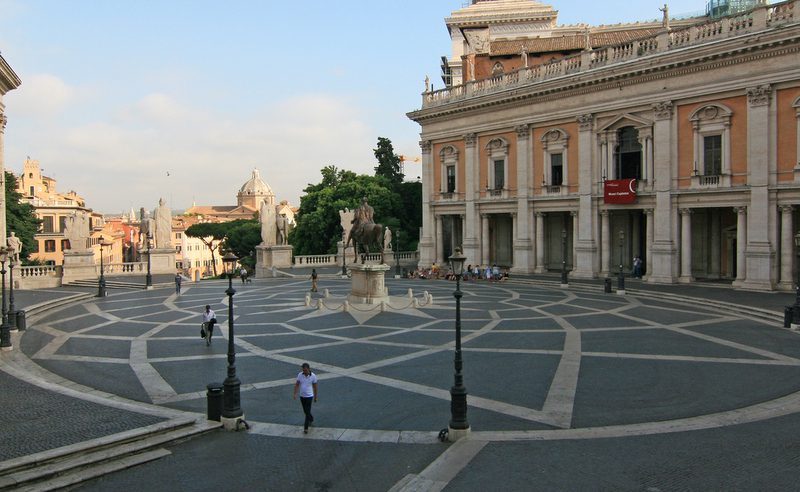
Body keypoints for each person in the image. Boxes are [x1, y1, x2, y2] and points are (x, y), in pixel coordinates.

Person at [292, 362, 318, 434]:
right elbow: (297, 384)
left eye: (306, 370)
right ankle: (311, 418)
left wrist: (315, 397)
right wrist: (295, 393)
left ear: (309, 369)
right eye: (303, 370)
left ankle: (306, 428)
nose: (304, 372)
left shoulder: (313, 376)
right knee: (305, 411)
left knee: (307, 411)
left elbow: (315, 387)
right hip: (302, 396)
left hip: (309, 396)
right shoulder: (300, 375)